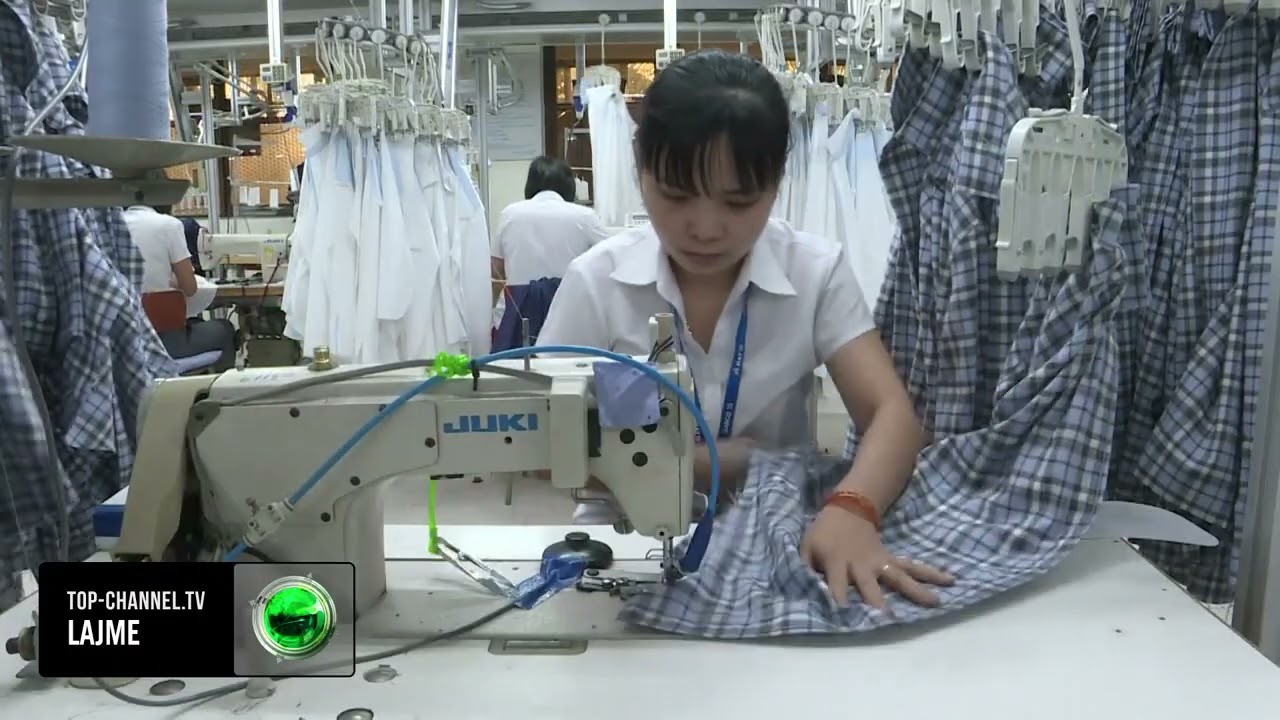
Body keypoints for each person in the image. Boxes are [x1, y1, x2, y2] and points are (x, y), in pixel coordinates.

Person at [535, 50, 952, 610]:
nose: (706, 228)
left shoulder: (814, 273)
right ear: (640, 170)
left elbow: (893, 415)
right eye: (677, 195)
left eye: (738, 202)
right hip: (621, 535)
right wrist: (709, 463)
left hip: (778, 530)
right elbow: (540, 440)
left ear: (777, 181)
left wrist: (853, 507)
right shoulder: (596, 283)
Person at [122, 204, 236, 372]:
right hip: (165, 342)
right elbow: (190, 288)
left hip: (124, 345)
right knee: (224, 329)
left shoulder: (109, 226)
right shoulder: (169, 225)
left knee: (195, 323)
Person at [490, 155, 612, 289]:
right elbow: (613, 257)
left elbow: (496, 270)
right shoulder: (584, 216)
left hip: (520, 300)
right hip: (570, 297)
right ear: (569, 186)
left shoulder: (509, 214)